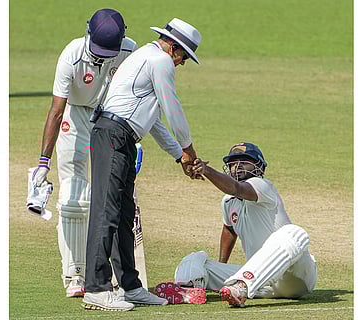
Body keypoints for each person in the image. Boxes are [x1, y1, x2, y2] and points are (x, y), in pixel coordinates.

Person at [82, 18, 202, 311]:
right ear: (173, 47)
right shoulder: (160, 61)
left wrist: (179, 155)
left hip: (119, 136)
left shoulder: (148, 56)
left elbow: (154, 121)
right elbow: (172, 107)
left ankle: (130, 286)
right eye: (184, 56)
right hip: (113, 134)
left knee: (123, 213)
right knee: (106, 211)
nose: (182, 63)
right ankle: (96, 288)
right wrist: (188, 149)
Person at [31, 8, 137, 298]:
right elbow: (56, 110)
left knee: (112, 197)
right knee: (74, 197)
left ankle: (114, 273)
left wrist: (136, 141)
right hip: (75, 116)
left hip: (112, 118)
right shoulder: (72, 55)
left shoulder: (130, 50)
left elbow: (138, 96)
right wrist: (43, 161)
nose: (102, 57)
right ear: (87, 32)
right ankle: (74, 274)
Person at [155, 142, 318, 307]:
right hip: (260, 279)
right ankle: (189, 290)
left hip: (294, 277)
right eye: (233, 163)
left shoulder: (263, 186)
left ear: (259, 167)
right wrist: (221, 265)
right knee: (195, 259)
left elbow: (236, 188)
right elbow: (229, 229)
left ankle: (241, 287)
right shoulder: (228, 202)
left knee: (294, 233)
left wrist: (206, 170)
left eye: (245, 161)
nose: (237, 167)